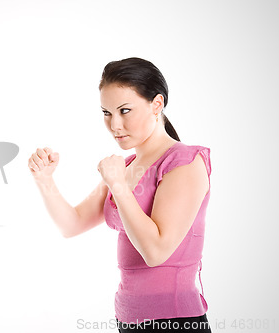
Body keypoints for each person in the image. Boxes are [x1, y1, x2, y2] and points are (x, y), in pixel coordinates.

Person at [28, 57, 212, 332]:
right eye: (106, 112)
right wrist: (44, 180)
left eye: (125, 111)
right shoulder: (124, 168)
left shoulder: (184, 162)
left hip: (175, 322)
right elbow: (72, 224)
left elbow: (156, 252)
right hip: (128, 320)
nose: (114, 125)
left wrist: (118, 185)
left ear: (157, 104)